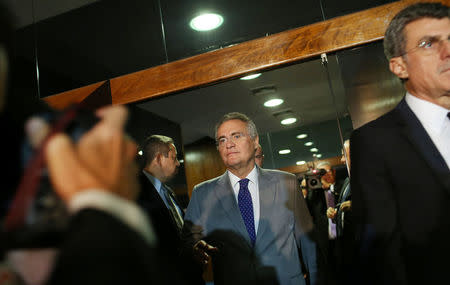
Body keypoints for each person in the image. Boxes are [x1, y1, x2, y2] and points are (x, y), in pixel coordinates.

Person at [350, 3, 450, 285]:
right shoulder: (374, 142)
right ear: (399, 66)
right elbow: (382, 255)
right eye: (428, 43)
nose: (447, 51)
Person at [182, 112, 318, 285]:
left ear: (255, 141)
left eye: (236, 136)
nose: (229, 144)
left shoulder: (286, 183)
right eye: (222, 140)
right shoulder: (202, 193)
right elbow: (187, 245)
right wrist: (193, 250)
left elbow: (309, 245)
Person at [138, 135, 203, 285]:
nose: (178, 164)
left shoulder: (168, 192)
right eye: (174, 158)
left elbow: (177, 236)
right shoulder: (135, 193)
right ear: (159, 159)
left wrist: (193, 248)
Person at [326, 139, 352, 284]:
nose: (342, 160)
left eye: (344, 155)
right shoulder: (348, 181)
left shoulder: (369, 178)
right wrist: (333, 212)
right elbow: (341, 207)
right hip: (345, 246)